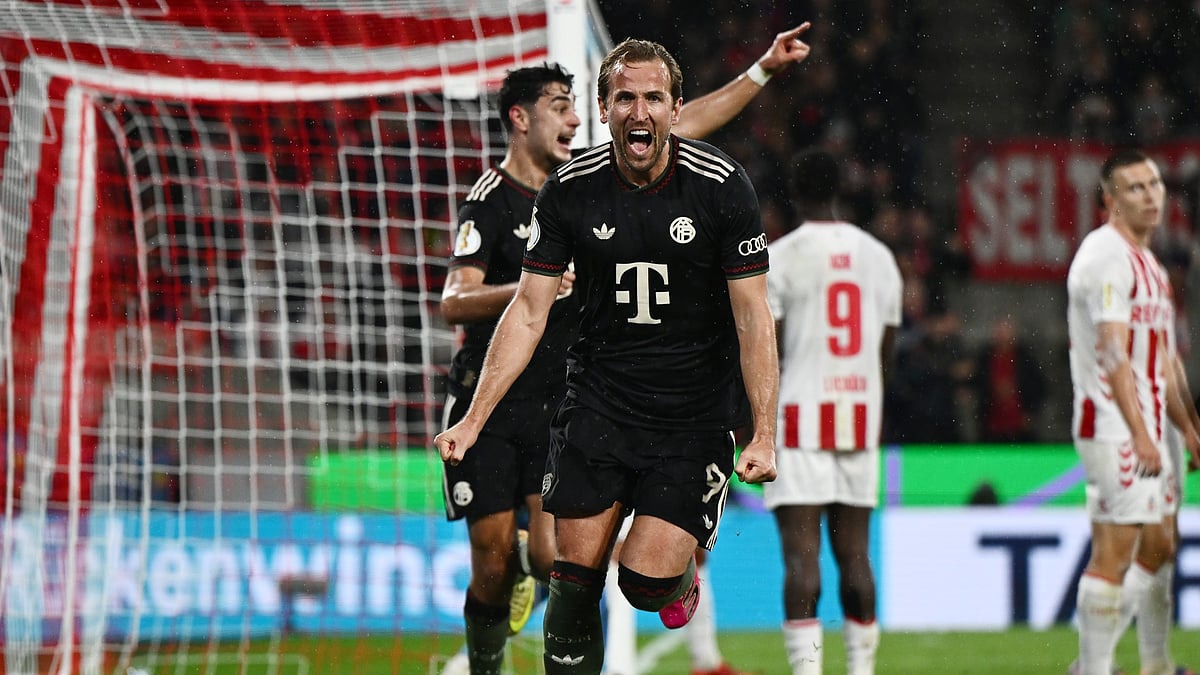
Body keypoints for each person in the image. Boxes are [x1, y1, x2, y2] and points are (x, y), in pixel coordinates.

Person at [438, 25, 811, 675]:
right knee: (571, 582)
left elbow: (753, 316)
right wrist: (472, 419)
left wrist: (763, 432)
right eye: (625, 99)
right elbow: (526, 310)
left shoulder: (722, 186)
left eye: (655, 98)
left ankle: (676, 580)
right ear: (605, 110)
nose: (640, 111)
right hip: (596, 406)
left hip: (691, 415)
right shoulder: (567, 189)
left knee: (643, 582)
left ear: (674, 108)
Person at [761, 150, 902, 675]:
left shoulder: (781, 257)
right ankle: (861, 670)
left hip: (800, 418)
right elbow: (886, 352)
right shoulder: (880, 257)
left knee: (802, 560)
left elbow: (767, 351)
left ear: (795, 193)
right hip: (859, 417)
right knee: (856, 556)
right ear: (843, 190)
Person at [1065, 149, 1200, 675]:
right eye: (1136, 187)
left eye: (1155, 184)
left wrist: (1188, 427)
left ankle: (1114, 664)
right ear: (1110, 199)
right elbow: (1113, 354)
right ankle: (1093, 668)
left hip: (1146, 424)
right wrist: (1142, 434)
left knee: (1160, 543)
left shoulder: (1151, 266)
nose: (1151, 196)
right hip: (1112, 424)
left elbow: (1164, 361)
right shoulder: (1105, 257)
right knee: (1115, 552)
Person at [971, 315, 1047, 444]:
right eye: (1000, 332)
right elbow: (977, 383)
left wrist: (1031, 412)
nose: (1003, 337)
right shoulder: (985, 358)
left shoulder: (1025, 358)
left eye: (1006, 332)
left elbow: (1038, 386)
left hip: (1019, 425)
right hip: (991, 423)